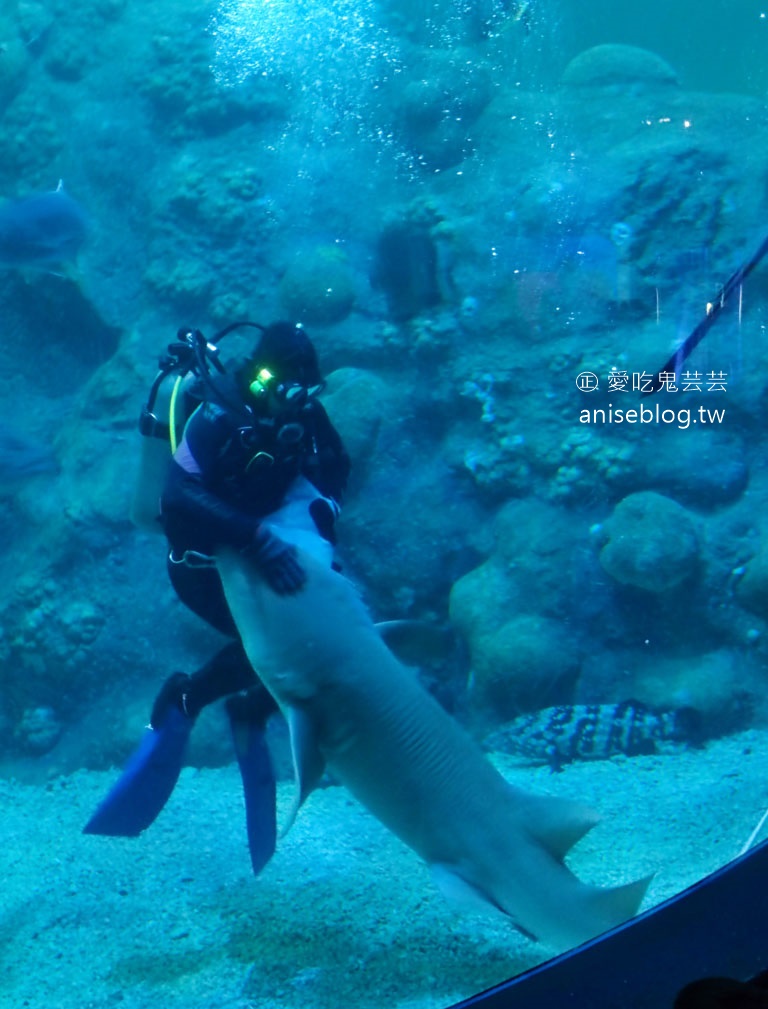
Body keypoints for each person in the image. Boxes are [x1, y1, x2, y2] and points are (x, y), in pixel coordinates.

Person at [84, 321, 351, 873]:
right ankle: (190, 699)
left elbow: (337, 468)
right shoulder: (217, 417)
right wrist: (255, 539)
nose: (298, 406)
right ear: (263, 378)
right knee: (280, 646)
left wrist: (318, 527)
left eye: (310, 393)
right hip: (200, 568)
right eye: (289, 391)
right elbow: (178, 497)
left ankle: (249, 707)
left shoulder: (303, 414)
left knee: (301, 644)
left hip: (254, 555)